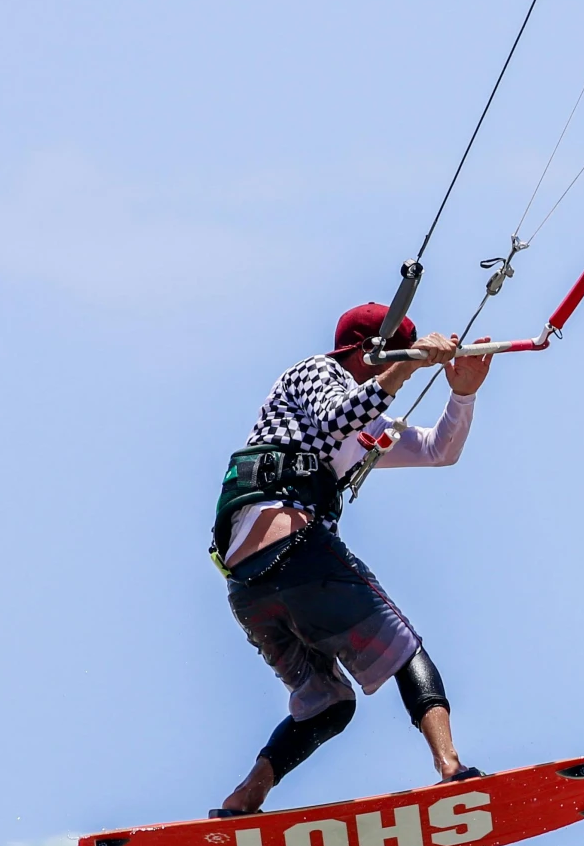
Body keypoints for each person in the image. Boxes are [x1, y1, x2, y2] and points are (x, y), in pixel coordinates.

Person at [210, 302, 494, 817]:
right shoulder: (316, 373)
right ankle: (452, 768)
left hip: (251, 588)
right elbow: (339, 415)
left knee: (328, 705)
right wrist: (406, 365)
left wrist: (463, 392)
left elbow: (437, 450)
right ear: (371, 352)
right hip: (298, 558)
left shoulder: (365, 427)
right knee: (405, 649)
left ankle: (245, 796)